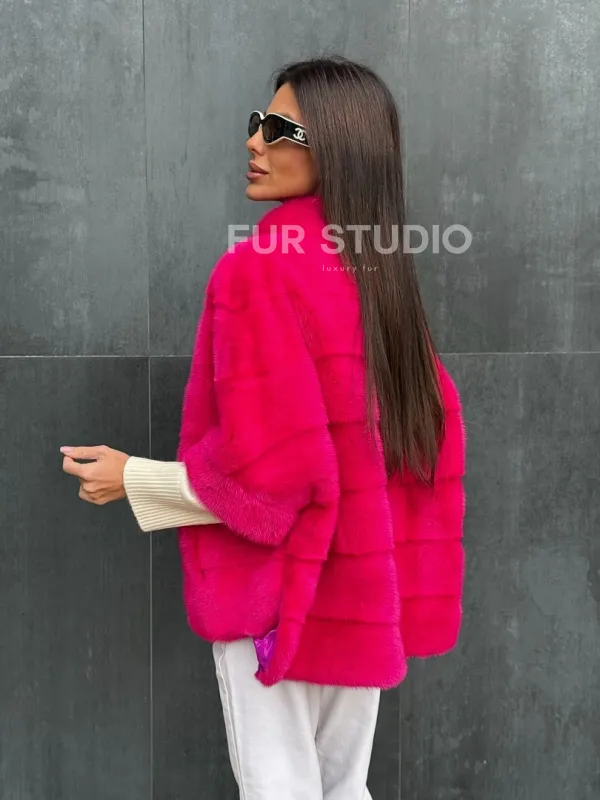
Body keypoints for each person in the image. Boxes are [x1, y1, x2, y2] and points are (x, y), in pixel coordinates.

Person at [61, 56, 466, 800]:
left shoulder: (259, 272)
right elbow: (421, 448)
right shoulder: (383, 279)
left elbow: (268, 484)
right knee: (344, 790)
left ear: (337, 147)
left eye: (280, 130)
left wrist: (134, 479)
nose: (254, 141)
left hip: (284, 598)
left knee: (279, 789)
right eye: (258, 123)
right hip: (362, 600)